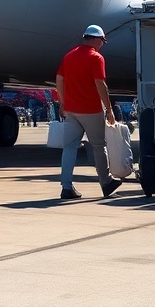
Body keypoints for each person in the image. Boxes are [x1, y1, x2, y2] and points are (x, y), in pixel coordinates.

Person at [54, 24, 122, 200]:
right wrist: (109, 109)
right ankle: (106, 183)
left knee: (69, 148)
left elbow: (59, 79)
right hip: (91, 109)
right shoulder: (96, 57)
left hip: (71, 110)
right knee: (99, 146)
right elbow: (101, 84)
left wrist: (63, 102)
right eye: (102, 41)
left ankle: (66, 187)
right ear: (97, 39)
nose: (102, 45)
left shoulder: (69, 55)